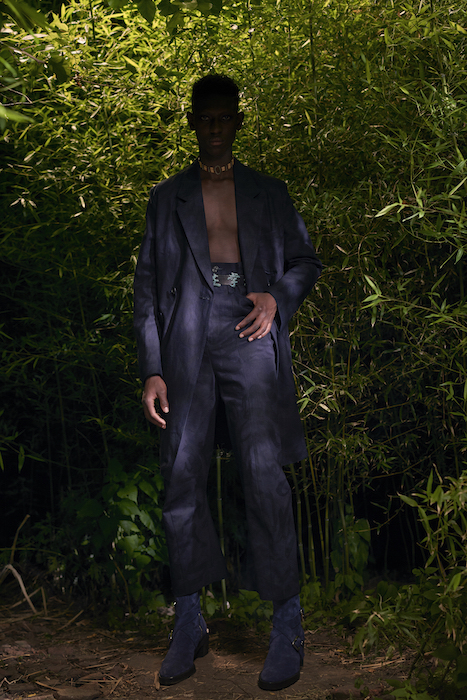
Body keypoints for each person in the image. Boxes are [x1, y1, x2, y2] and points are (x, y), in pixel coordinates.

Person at [133, 74, 322, 691]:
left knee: (264, 474)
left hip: (249, 327)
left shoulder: (268, 191)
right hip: (186, 335)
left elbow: (306, 260)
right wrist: (152, 368)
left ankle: (287, 623)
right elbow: (145, 288)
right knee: (181, 473)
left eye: (224, 117)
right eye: (205, 117)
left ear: (238, 121)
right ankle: (189, 620)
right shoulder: (167, 197)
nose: (214, 127)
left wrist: (275, 297)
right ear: (192, 122)